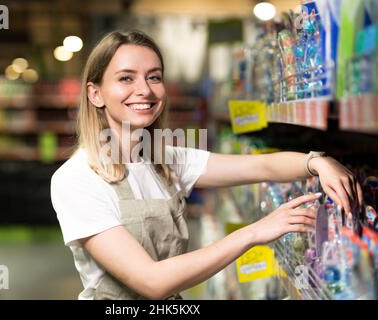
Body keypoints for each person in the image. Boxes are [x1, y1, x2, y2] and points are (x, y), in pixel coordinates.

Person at [50, 30, 362, 300]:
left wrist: (317, 162)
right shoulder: (77, 179)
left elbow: (261, 168)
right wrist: (253, 232)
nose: (144, 89)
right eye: (125, 78)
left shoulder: (165, 160)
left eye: (154, 77)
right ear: (95, 94)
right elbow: (152, 282)